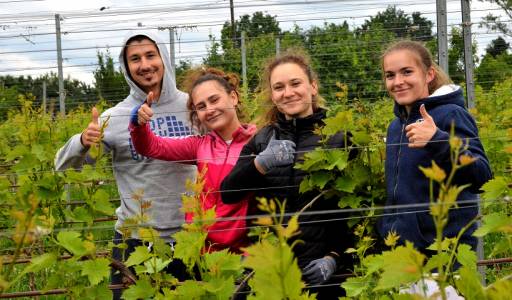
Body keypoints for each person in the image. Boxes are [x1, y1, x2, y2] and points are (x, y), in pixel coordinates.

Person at [54, 32, 196, 298]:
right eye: (135, 59)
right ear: (126, 67)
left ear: (164, 57)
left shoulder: (192, 106)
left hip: (190, 238)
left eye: (150, 55)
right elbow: (63, 165)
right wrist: (83, 141)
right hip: (135, 242)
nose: (145, 65)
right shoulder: (115, 117)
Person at [220, 50, 353, 299]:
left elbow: (353, 211)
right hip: (270, 270)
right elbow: (228, 193)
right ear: (272, 95)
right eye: (279, 87)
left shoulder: (338, 138)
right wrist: (259, 164)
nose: (288, 92)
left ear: (312, 87)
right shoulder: (261, 140)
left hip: (320, 275)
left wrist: (334, 258)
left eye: (295, 83)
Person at [377, 40, 492, 254]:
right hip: (404, 253)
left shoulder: (450, 114)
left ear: (428, 75)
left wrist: (438, 140)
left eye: (407, 72)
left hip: (442, 253)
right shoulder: (395, 126)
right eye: (390, 75)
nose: (398, 81)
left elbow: (483, 176)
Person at [129, 67, 256, 253]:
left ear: (233, 98)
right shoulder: (200, 147)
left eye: (214, 100)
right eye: (201, 107)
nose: (210, 110)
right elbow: (151, 147)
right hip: (206, 254)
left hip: (247, 255)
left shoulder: (259, 141)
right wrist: (138, 124)